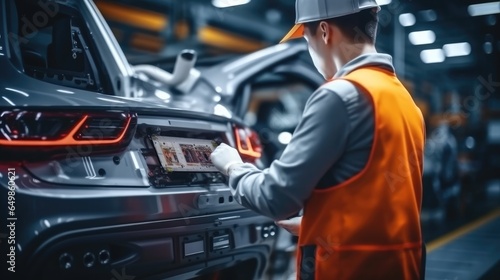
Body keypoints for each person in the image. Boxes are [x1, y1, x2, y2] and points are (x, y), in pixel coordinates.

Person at [210, 0, 426, 279]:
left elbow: (275, 197)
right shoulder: (403, 100)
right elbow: (380, 200)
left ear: (324, 31)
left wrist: (233, 167)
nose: (310, 50)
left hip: (346, 269)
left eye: (306, 39)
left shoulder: (340, 95)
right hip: (401, 267)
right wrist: (320, 225)